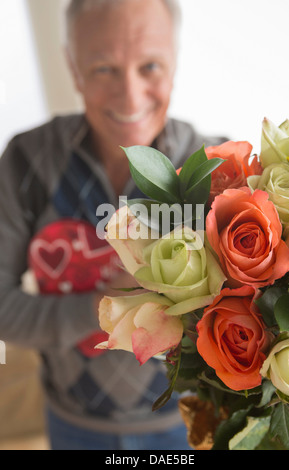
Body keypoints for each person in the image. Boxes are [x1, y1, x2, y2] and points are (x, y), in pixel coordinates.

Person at [0, 0, 226, 450]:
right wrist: (104, 305)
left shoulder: (216, 170)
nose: (130, 96)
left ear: (175, 58)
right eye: (104, 68)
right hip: (73, 425)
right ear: (72, 66)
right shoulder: (27, 161)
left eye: (150, 65)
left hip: (190, 425)